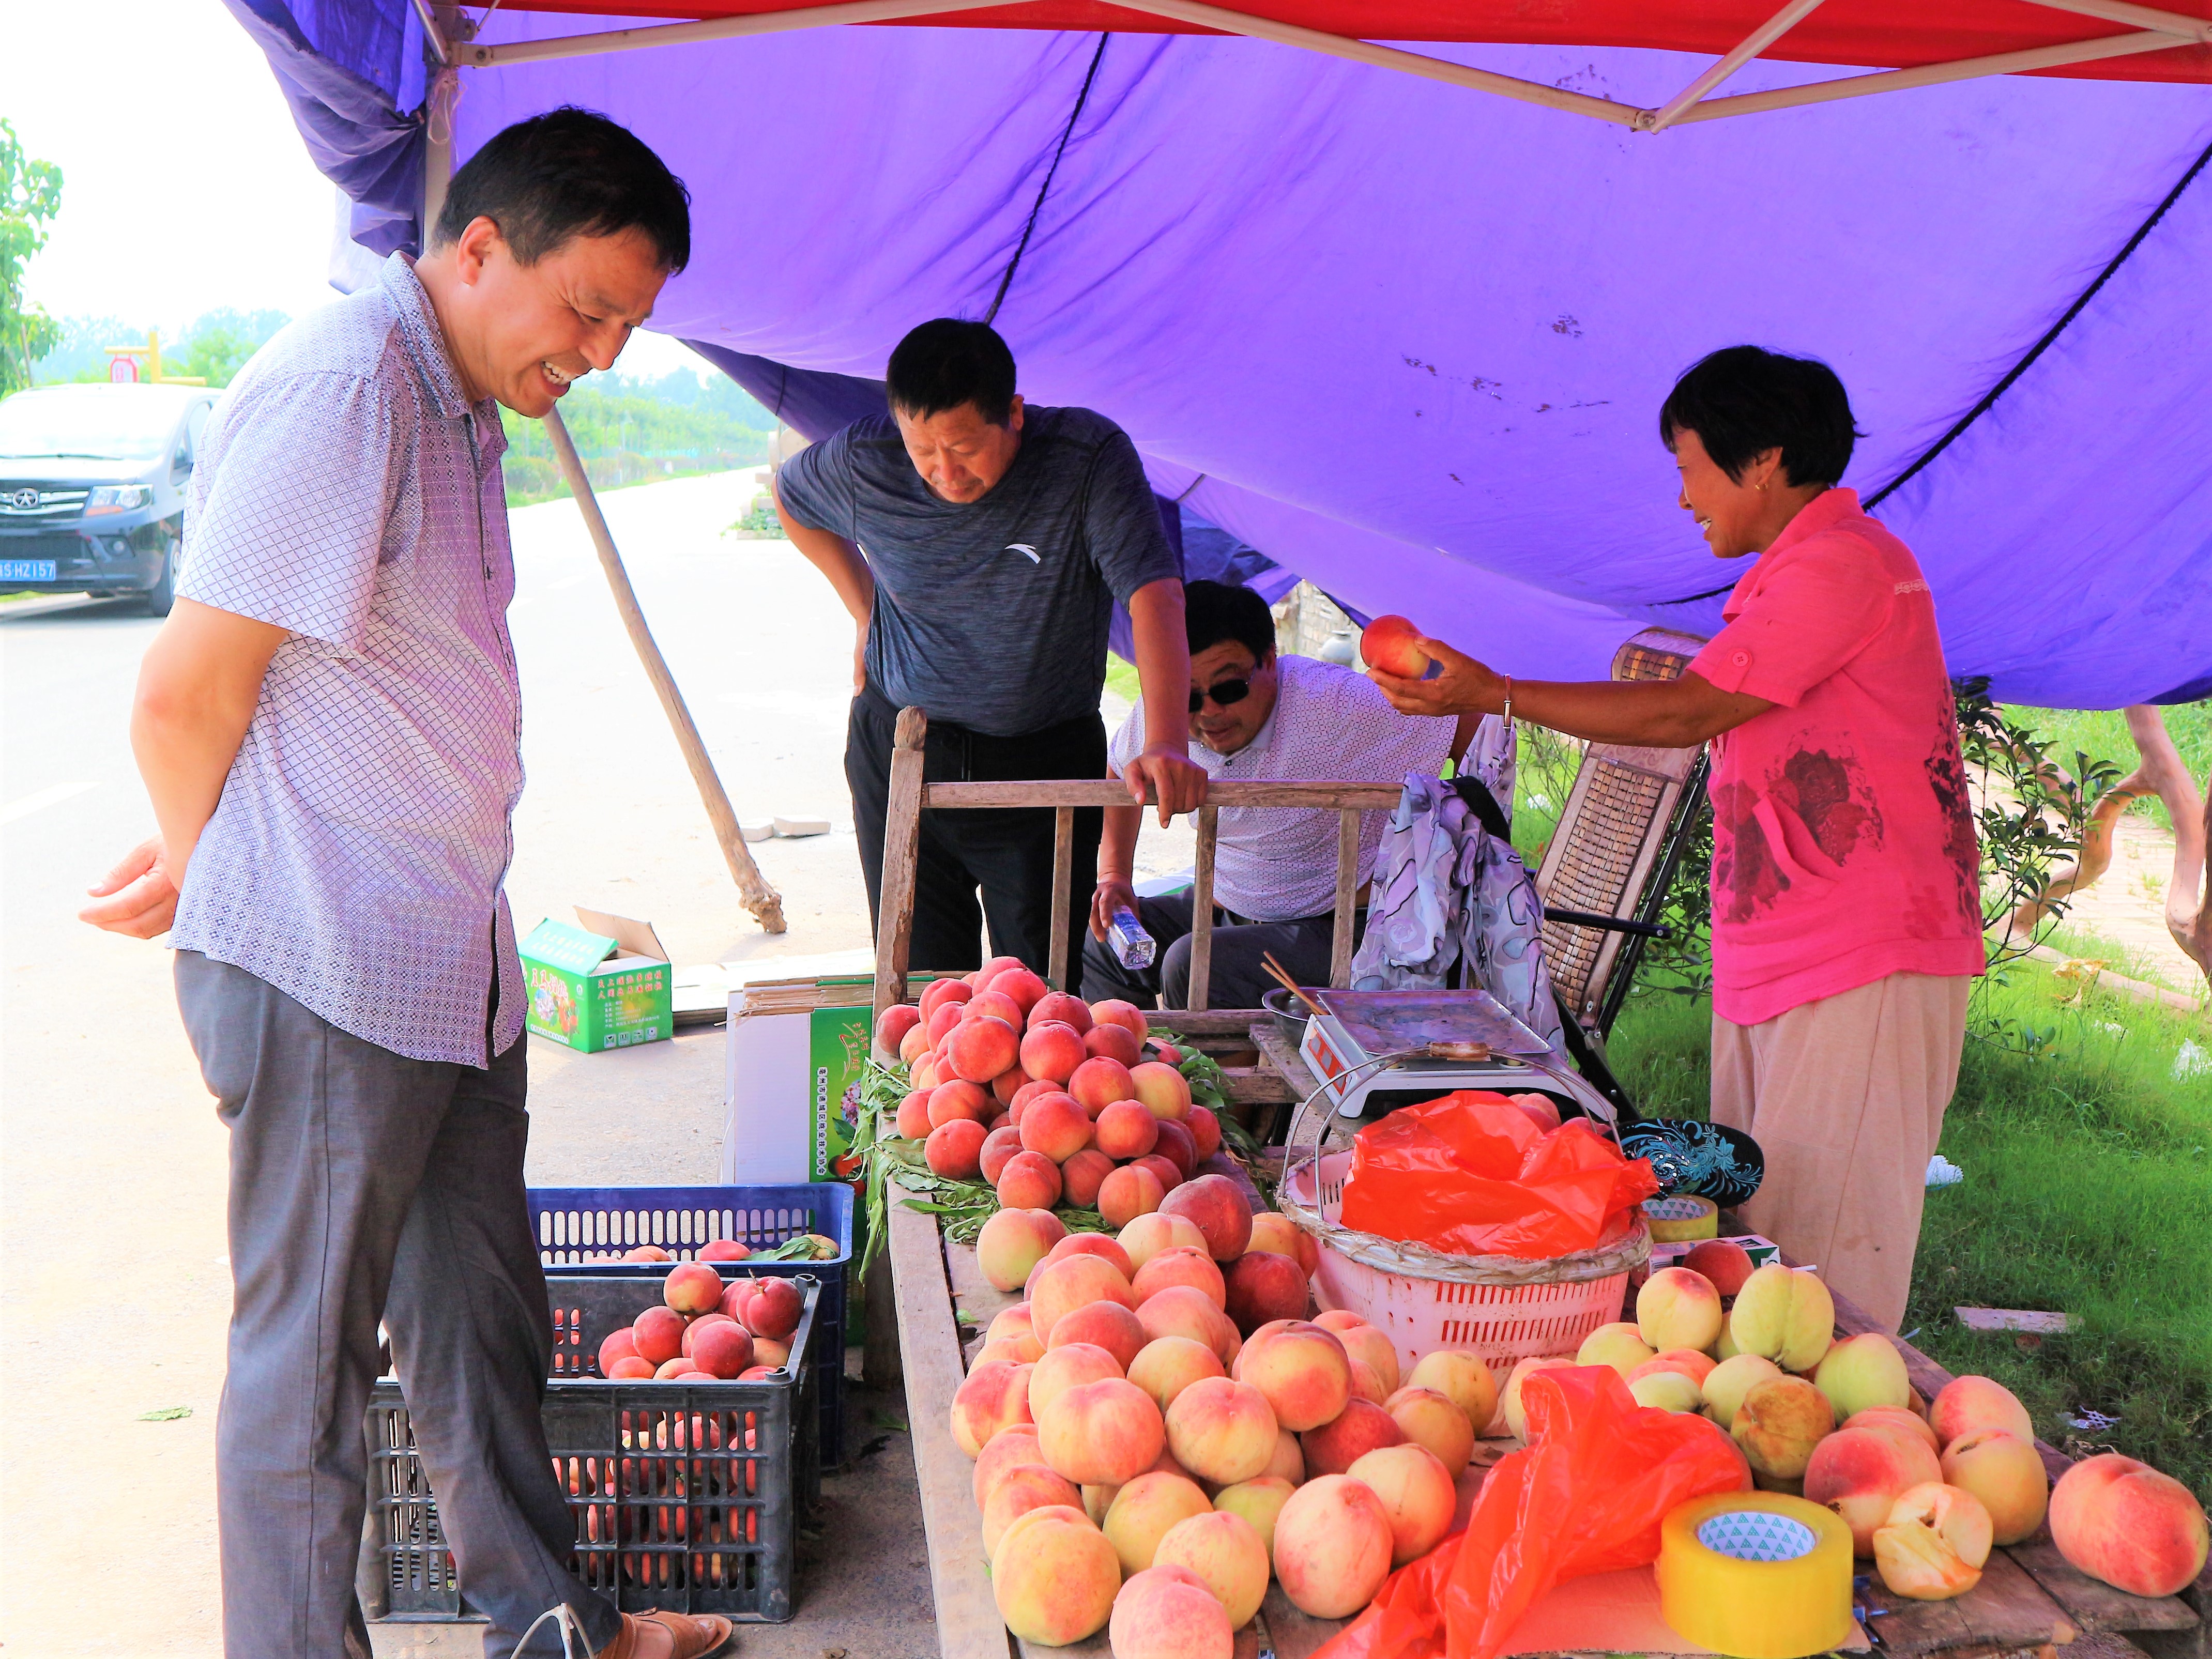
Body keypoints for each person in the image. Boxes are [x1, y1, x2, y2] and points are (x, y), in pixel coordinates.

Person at [79, 111, 727, 1659]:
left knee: (476, 1322)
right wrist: (207, 859)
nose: (609, 352)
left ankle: (551, 1620)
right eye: (589, 308)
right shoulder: (345, 387)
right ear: (481, 247)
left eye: (631, 323)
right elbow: (183, 692)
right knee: (305, 1371)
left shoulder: (457, 400)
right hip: (322, 965)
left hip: (443, 961)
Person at [1369, 346, 1981, 1332]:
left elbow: (1682, 714)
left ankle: (1822, 1466)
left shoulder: (1841, 566)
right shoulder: (1796, 578)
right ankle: (1767, 1456)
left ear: (1762, 462)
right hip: (1795, 953)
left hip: (1862, 954)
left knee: (1820, 1275)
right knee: (1766, 1236)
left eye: (1690, 465)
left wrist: (1499, 693)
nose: (1684, 497)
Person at [773, 318, 1205, 988]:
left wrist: (1169, 740)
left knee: (1039, 1000)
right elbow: (791, 497)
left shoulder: (1084, 461)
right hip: (900, 752)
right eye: (925, 452)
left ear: (1013, 413)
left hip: (1042, 762)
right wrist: (864, 611)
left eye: (965, 447)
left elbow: (1154, 594)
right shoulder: (867, 462)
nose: (945, 472)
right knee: (919, 993)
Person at [1084, 580, 1475, 1010]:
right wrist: (1114, 876)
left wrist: (1457, 847)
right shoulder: (1164, 713)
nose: (1209, 711)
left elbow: (1467, 725)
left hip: (1342, 925)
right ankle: (1121, 1066)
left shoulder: (1338, 705)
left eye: (1230, 689)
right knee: (1103, 940)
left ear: (1270, 662)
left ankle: (1212, 1077)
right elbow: (1119, 769)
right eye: (1188, 697)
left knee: (1196, 965)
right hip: (1228, 903)